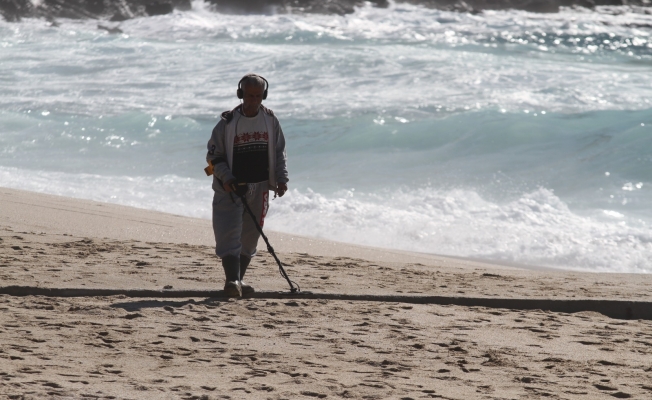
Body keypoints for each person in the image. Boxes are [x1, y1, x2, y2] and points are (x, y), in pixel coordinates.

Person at [206, 73, 289, 297]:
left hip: (260, 187)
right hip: (230, 188)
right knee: (228, 233)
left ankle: (239, 281)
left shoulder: (270, 121)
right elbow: (213, 158)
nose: (254, 100)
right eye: (250, 96)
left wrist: (282, 178)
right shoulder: (227, 123)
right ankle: (231, 280)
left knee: (250, 236)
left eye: (258, 96)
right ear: (240, 94)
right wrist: (228, 178)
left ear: (264, 95)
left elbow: (279, 152)